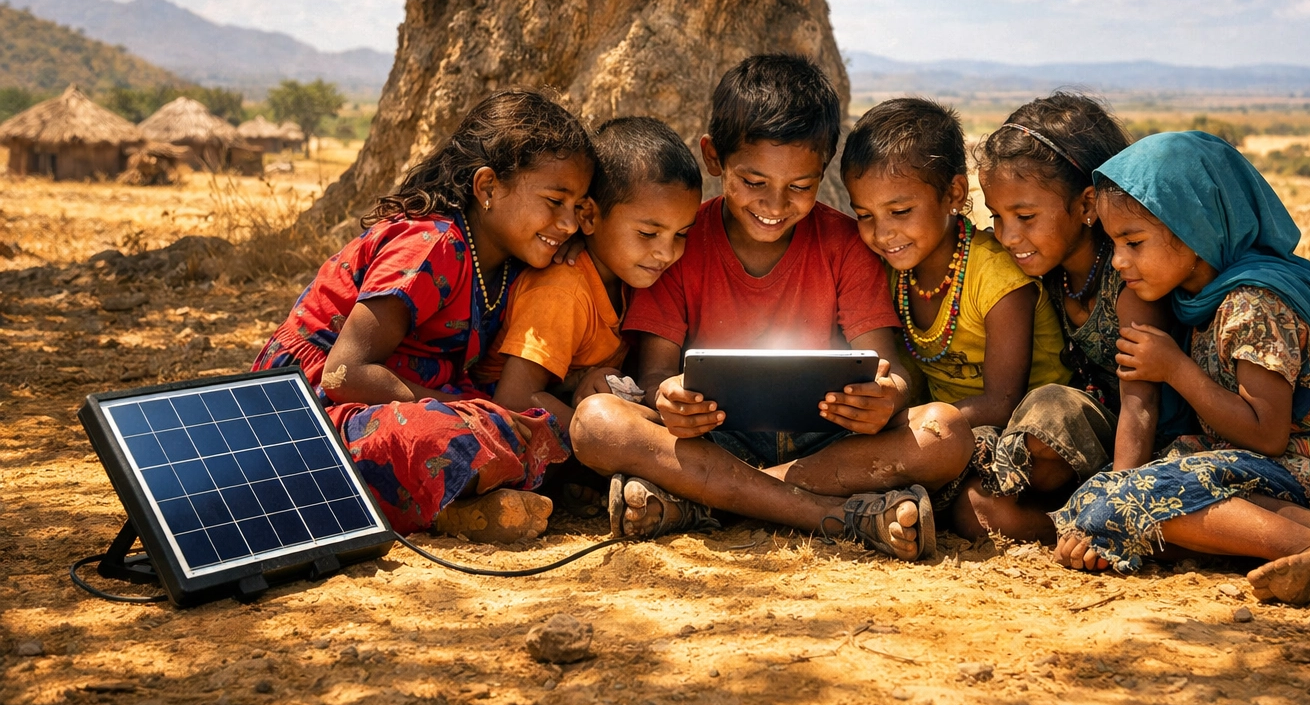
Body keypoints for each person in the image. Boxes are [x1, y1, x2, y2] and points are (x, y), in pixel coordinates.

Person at [570, 55, 974, 561]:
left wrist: (883, 401)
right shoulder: (679, 241)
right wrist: (670, 397)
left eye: (800, 187)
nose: (775, 204)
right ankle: (835, 516)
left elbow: (888, 372)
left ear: (823, 168)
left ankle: (706, 500)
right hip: (715, 440)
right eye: (754, 182)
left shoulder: (844, 243)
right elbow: (657, 374)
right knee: (596, 422)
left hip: (826, 449)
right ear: (714, 157)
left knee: (945, 433)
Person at [1051, 131, 1310, 605]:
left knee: (1131, 502)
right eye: (1114, 243)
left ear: (1196, 225)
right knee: (1097, 501)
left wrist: (1174, 368)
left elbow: (1267, 434)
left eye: (1134, 241)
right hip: (1275, 474)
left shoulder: (1252, 303)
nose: (1120, 260)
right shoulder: (1191, 302)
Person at [251, 91, 595, 543]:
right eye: (555, 202)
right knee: (435, 437)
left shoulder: (513, 261)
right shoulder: (431, 244)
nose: (568, 224)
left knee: (542, 425)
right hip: (308, 413)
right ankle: (453, 511)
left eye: (579, 208)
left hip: (411, 398)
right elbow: (341, 374)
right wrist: (459, 407)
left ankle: (461, 500)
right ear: (488, 187)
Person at [958, 93, 1179, 541]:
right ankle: (1066, 523)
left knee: (1049, 408)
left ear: (1086, 206)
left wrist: (1119, 504)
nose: (1008, 235)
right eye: (997, 216)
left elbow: (1142, 404)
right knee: (974, 510)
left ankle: (1100, 521)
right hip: (1070, 448)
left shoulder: (1128, 282)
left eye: (1025, 216)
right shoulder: (1042, 274)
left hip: (1139, 447)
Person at [839, 98, 1070, 521]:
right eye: (865, 215)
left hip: (1022, 437)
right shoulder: (891, 272)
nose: (883, 232)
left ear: (954, 194)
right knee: (967, 503)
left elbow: (1002, 404)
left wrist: (903, 420)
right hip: (942, 434)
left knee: (977, 511)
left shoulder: (997, 276)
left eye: (900, 211)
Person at [477, 116, 702, 430]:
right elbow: (514, 400)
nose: (667, 253)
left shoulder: (628, 277)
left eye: (681, 234)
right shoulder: (564, 289)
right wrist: (596, 436)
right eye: (648, 234)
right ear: (588, 216)